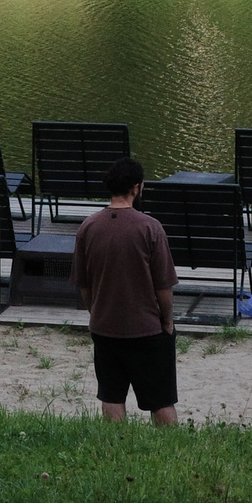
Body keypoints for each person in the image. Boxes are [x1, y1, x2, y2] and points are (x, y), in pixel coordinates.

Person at [69, 157, 180, 427]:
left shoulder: (88, 227)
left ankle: (115, 443)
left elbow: (84, 285)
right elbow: (163, 286)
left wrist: (96, 313)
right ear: (136, 188)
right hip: (146, 328)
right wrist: (167, 321)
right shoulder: (150, 227)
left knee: (111, 394)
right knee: (161, 399)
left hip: (104, 327)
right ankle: (171, 444)